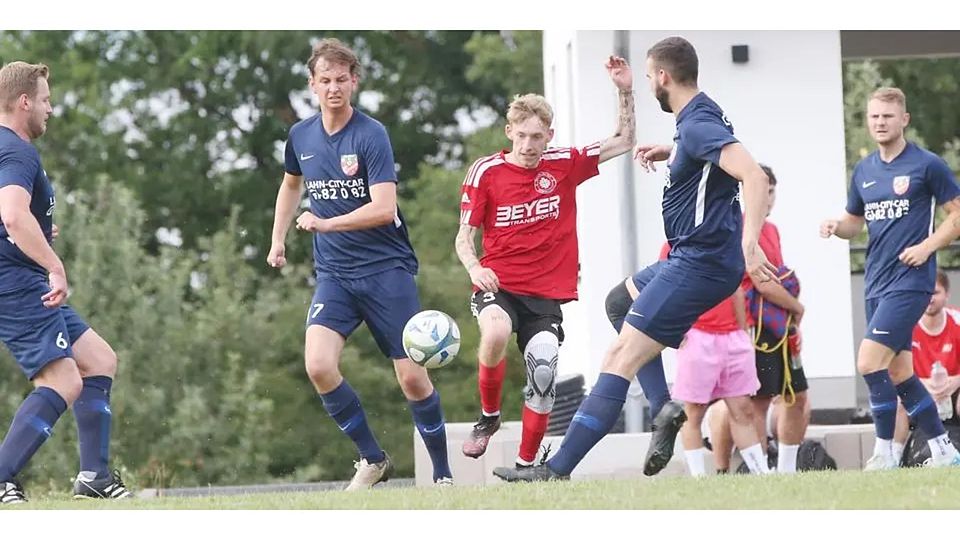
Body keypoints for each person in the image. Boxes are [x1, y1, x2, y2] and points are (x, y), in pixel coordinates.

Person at [493, 35, 775, 483]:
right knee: (617, 304)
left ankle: (556, 470)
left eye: (647, 78)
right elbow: (710, 160)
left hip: (702, 260)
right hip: (693, 255)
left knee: (619, 356)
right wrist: (675, 152)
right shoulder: (698, 117)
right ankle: (664, 407)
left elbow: (754, 176)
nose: (648, 86)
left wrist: (750, 243)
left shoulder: (699, 125)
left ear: (662, 77)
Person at [267, 38, 452, 489]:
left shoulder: (371, 135)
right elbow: (292, 185)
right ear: (312, 85)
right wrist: (277, 239)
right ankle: (373, 459)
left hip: (387, 271)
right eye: (324, 80)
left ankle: (443, 476)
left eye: (341, 80)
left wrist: (327, 225)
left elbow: (384, 209)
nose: (333, 88)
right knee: (318, 365)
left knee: (411, 377)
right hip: (335, 276)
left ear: (355, 82)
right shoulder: (301, 136)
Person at [455, 56, 636, 468]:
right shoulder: (485, 171)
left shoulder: (563, 164)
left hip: (545, 294)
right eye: (521, 136)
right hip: (497, 286)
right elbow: (464, 237)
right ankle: (488, 418)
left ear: (549, 136)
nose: (528, 145)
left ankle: (525, 465)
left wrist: (624, 89)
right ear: (509, 132)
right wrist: (474, 269)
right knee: (496, 333)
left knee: (542, 372)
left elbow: (624, 139)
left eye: (537, 136)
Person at [0, 61, 131, 503]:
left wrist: (33, 230)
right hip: (17, 283)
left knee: (98, 359)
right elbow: (12, 215)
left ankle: (94, 476)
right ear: (23, 103)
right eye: (44, 100)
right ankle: (1, 476)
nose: (49, 109)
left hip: (19, 274)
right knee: (63, 381)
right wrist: (54, 263)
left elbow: (15, 217)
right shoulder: (17, 150)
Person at [820, 87, 960, 470]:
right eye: (874, 116)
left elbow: (957, 215)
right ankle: (945, 451)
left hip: (910, 281)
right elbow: (854, 222)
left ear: (904, 120)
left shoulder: (927, 165)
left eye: (887, 116)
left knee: (868, 361)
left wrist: (927, 247)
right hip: (875, 282)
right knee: (899, 371)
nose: (880, 122)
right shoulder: (864, 170)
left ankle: (883, 452)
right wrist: (837, 226)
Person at [653, 242, 769, 477]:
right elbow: (664, 289)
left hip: (732, 338)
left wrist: (743, 334)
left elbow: (736, 289)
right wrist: (675, 330)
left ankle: (762, 473)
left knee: (743, 410)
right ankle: (698, 478)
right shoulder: (674, 244)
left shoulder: (730, 239)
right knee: (692, 412)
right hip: (697, 335)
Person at [742, 164, 809, 473]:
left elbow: (779, 278)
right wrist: (797, 307)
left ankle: (787, 469)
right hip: (754, 329)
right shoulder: (743, 227)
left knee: (796, 395)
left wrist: (792, 320)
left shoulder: (772, 230)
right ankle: (761, 473)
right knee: (759, 400)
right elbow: (763, 284)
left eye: (771, 191)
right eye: (761, 190)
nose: (767, 198)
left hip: (780, 327)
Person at [893, 269, 960, 463]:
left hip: (953, 389)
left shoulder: (957, 321)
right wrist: (921, 384)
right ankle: (894, 457)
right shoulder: (907, 325)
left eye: (936, 292)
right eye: (925, 293)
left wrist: (955, 381)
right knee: (899, 401)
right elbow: (895, 370)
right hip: (918, 388)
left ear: (947, 294)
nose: (930, 298)